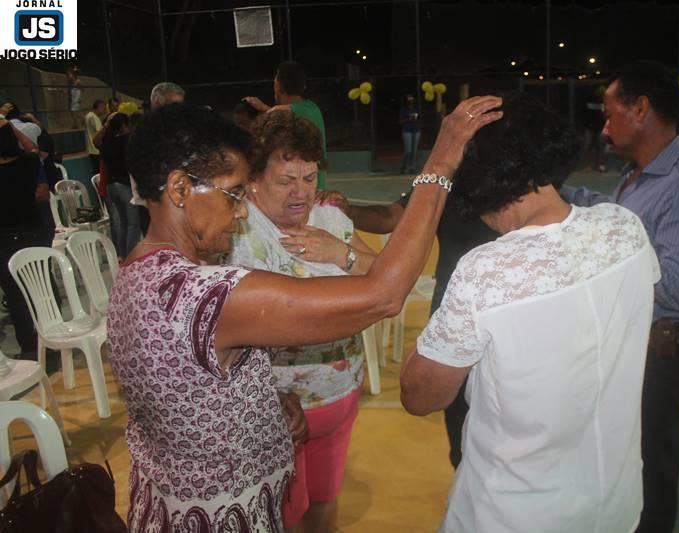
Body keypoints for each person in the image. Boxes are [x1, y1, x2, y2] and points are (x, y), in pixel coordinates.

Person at [108, 97, 502, 531]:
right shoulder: (206, 294)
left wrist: (263, 399)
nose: (242, 209)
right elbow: (383, 295)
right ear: (180, 189)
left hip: (165, 506)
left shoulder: (136, 273)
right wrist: (440, 163)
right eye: (234, 193)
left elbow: (189, 391)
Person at [400, 92, 660, 533]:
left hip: (513, 515)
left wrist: (439, 165)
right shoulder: (624, 229)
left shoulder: (486, 271)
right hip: (614, 504)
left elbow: (420, 395)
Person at [561, 60, 679, 533]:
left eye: (610, 113)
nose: (604, 126)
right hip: (635, 348)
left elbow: (677, 288)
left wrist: (602, 263)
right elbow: (613, 217)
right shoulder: (639, 175)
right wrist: (556, 195)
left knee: (648, 480)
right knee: (620, 470)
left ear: (641, 110)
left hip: (659, 354)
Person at [227, 110, 376, 532]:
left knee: (326, 501)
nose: (301, 192)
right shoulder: (238, 232)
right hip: (276, 409)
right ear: (253, 180)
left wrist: (340, 253)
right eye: (286, 180)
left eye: (309, 178)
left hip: (339, 393)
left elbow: (384, 279)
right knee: (284, 515)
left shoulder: (330, 219)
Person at [317, 186, 499, 470]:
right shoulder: (450, 179)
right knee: (462, 431)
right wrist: (349, 212)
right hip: (455, 318)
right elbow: (392, 217)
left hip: (497, 319)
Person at [0, 119, 52, 359]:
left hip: (4, 237)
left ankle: (30, 350)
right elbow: (32, 148)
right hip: (34, 231)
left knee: (15, 297)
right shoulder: (30, 161)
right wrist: (12, 129)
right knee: (42, 289)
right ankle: (52, 343)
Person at [243, 61, 328, 189]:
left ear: (278, 85)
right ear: (303, 86)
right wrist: (265, 108)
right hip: (316, 184)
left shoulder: (280, 113)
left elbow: (279, 115)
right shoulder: (313, 108)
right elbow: (287, 114)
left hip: (296, 186)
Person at [101, 112, 140, 257]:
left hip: (111, 186)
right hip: (125, 186)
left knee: (123, 224)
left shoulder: (107, 142)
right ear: (124, 126)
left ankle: (123, 256)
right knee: (133, 225)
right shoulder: (127, 141)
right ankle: (131, 258)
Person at [583, 85, 607, 172]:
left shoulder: (605, 102)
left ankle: (600, 164)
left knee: (601, 146)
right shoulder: (589, 100)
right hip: (589, 127)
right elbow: (583, 113)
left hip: (600, 127)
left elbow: (606, 115)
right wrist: (586, 124)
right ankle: (588, 165)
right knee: (588, 146)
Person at [399, 94, 421, 174]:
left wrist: (416, 119)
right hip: (407, 130)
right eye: (409, 99)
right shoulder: (404, 109)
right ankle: (404, 166)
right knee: (408, 151)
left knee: (414, 151)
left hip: (416, 130)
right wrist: (409, 119)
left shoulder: (416, 109)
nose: (410, 100)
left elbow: (420, 118)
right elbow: (400, 121)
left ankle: (412, 167)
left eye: (412, 98)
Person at [85, 99, 106, 174]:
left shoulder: (88, 116)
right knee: (99, 173)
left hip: (91, 149)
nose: (104, 111)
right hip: (96, 150)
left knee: (96, 172)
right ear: (99, 107)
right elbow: (100, 133)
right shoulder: (94, 118)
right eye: (103, 108)